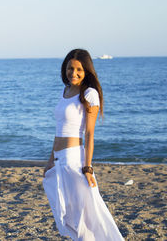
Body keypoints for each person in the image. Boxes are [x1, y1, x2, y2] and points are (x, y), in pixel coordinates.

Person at [42, 49, 123, 240]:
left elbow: (89, 133)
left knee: (89, 211)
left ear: (86, 70)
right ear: (65, 69)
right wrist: (50, 160)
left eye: (79, 69)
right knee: (68, 211)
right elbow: (58, 130)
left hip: (74, 160)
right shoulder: (66, 91)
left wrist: (88, 167)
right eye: (70, 68)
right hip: (59, 160)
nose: (74, 73)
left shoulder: (89, 94)